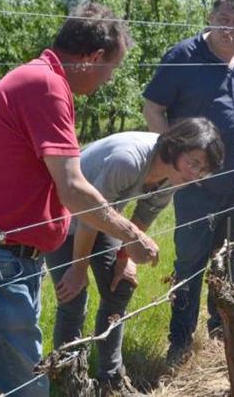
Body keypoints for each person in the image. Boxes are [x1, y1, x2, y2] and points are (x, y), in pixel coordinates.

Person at [0, 3, 160, 397]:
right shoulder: (46, 87)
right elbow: (74, 189)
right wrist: (131, 235)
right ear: (93, 58)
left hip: (8, 255)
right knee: (26, 386)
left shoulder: (44, 80)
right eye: (111, 68)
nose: (110, 80)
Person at [142, 0, 234, 364]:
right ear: (210, 17)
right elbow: (153, 106)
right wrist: (173, 156)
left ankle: (220, 329)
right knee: (190, 262)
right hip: (197, 185)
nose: (229, 28)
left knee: (231, 256)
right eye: (223, 19)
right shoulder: (184, 56)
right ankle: (180, 343)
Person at [46, 118, 223, 394]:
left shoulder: (174, 176)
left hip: (103, 215)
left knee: (121, 286)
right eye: (194, 163)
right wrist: (78, 268)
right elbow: (88, 215)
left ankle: (111, 378)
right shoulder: (128, 161)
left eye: (203, 171)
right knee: (73, 296)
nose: (195, 175)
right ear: (176, 147)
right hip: (62, 217)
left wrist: (124, 258)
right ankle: (68, 383)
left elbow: (143, 215)